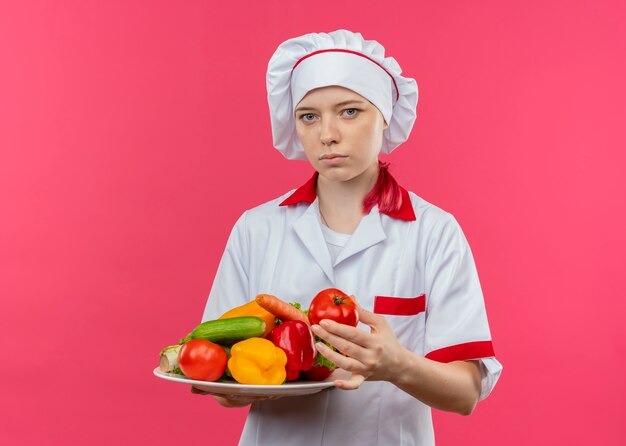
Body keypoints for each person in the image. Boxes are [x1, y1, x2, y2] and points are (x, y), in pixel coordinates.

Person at [194, 29, 503, 445]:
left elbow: (466, 392)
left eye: (350, 111)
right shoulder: (256, 228)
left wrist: (396, 366)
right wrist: (224, 382)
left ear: (385, 115)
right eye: (309, 116)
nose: (327, 134)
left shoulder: (435, 233)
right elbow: (225, 383)